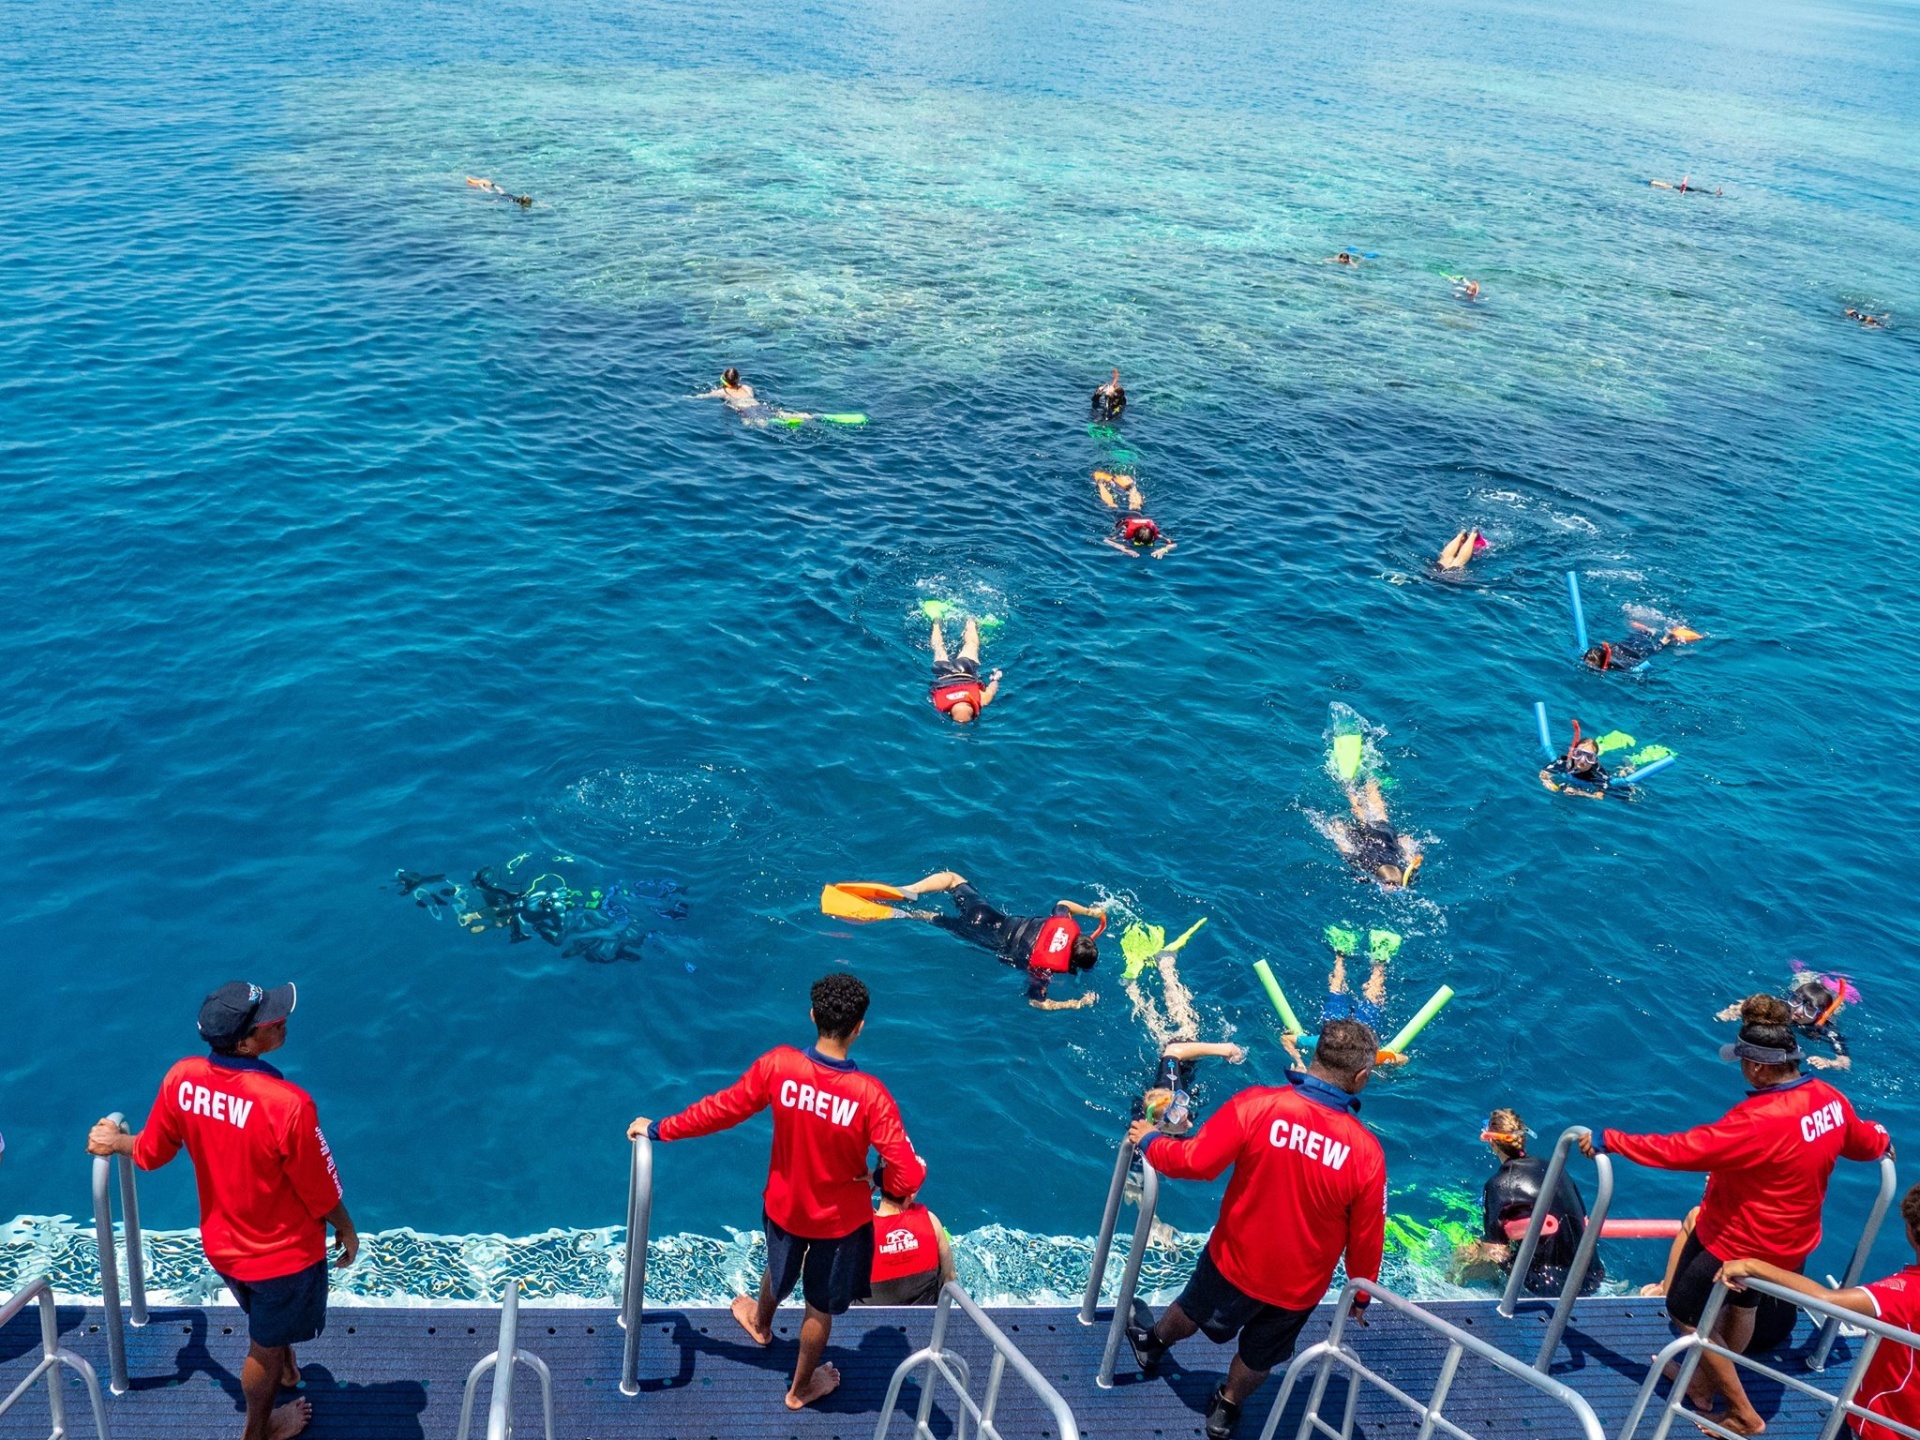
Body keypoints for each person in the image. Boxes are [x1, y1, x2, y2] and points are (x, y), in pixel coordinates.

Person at [1578, 994, 1891, 1436]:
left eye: (1743, 1061)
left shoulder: (1757, 1119)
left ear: (1759, 1067)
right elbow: (1863, 1141)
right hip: (1793, 1241)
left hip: (1742, 1240)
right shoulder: (1829, 1099)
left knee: (1684, 1307)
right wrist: (1883, 1141)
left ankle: (1741, 1410)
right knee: (1742, 1301)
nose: (1740, 1068)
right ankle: (1703, 1382)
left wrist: (1611, 1138)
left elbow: (1681, 1150)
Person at [626, 974, 925, 1410]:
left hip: (785, 1208)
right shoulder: (870, 1097)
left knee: (779, 1269)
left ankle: (761, 1324)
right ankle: (801, 1388)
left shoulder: (779, 1067)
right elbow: (908, 1174)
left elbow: (720, 1111)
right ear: (860, 1027)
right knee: (819, 1307)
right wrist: (880, 1182)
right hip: (840, 1226)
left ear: (812, 1017)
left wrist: (658, 1129)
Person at [87, 982, 357, 1440]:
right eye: (270, 1021)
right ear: (245, 1043)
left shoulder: (182, 1079)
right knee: (264, 1348)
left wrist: (118, 1143)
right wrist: (347, 1230)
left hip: (224, 1246)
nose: (281, 1021)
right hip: (284, 1257)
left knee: (271, 1330)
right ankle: (259, 1431)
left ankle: (288, 1372)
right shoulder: (288, 1106)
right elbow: (320, 1192)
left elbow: (152, 1152)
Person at [1122, 1019, 1388, 1440]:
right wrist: (1359, 1295)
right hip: (1298, 1288)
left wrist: (1152, 1141)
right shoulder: (1367, 1154)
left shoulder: (1258, 1106)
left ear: (1314, 1057)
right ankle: (1226, 1408)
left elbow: (1197, 1163)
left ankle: (1152, 1345)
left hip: (1233, 1261)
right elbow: (1368, 1236)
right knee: (1261, 1355)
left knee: (1192, 1309)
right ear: (1360, 1077)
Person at [1719, 1183, 1920, 1440]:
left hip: (1881, 1428)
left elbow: (1826, 1299)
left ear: (1910, 1232)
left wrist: (1753, 1265)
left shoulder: (1906, 1291)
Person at [889, 871, 1103, 1010]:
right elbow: (1037, 1002)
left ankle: (911, 890)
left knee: (953, 879)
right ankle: (899, 913)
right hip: (982, 936)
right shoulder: (1043, 971)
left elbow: (1063, 902)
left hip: (986, 915)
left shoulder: (1062, 920)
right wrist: (1076, 1003)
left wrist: (1092, 912)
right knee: (934, 919)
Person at [1453, 1109, 1603, 1296]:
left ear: (1491, 1141)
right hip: (1591, 1275)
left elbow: (1495, 1251)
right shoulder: (1555, 1168)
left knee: (1466, 1251)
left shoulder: (1498, 1184)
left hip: (1548, 1285)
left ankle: (1446, 1289)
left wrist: (1473, 1257)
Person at [1281, 927, 1409, 1068]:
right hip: (1341, 1023)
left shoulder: (1324, 1044)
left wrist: (1300, 1062)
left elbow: (1286, 1039)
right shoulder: (1362, 1056)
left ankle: (1348, 956)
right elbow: (1402, 1059)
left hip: (1352, 1026)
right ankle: (1349, 956)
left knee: (1361, 996)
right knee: (1339, 991)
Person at [1718, 968, 1855, 1071]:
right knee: (1802, 979)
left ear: (1819, 1015)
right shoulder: (1785, 1006)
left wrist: (1828, 1062)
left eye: (1810, 1010)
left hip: (1826, 1010)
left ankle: (1837, 987)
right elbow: (1751, 1003)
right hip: (1805, 994)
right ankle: (1807, 974)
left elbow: (1845, 1061)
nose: (1799, 1012)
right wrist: (1732, 1012)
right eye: (1796, 1002)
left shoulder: (1826, 1031)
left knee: (1837, 1007)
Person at [859, 1164, 955, 1307]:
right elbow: (950, 1278)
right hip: (926, 1321)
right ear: (912, 1193)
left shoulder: (859, 1232)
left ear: (879, 1185)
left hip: (871, 1322)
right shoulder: (931, 1222)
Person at [1325, 779, 1422, 889]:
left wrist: (1410, 851)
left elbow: (1413, 864)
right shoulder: (1366, 867)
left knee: (1380, 813)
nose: (1392, 889)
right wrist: (1338, 831)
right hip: (1370, 838)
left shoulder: (1404, 875)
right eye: (1392, 885)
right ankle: (1349, 786)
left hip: (1387, 837)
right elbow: (1346, 851)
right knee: (1360, 815)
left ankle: (1371, 782)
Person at [927, 616, 1001, 724]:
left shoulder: (982, 700)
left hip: (965, 669)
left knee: (971, 644)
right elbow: (933, 695)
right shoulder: (939, 705)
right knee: (938, 648)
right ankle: (936, 622)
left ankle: (971, 621)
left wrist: (996, 677)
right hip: (942, 672)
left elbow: (993, 687)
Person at [1581, 619, 1703, 671]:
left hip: (1635, 654)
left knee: (1656, 649)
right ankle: (1646, 631)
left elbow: (1634, 669)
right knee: (1634, 639)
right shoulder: (1603, 655)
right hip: (1620, 647)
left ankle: (1667, 637)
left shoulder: (1618, 666)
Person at [1540, 726, 1613, 798]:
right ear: (1573, 753)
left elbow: (1599, 796)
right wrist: (1548, 782)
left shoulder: (1598, 775)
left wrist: (1577, 792)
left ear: (1595, 760)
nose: (1582, 760)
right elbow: (1544, 772)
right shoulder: (1565, 762)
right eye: (1579, 754)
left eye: (1589, 757)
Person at [1105, 512, 1175, 559]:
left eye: (1149, 544)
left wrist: (1163, 550)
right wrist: (1125, 550)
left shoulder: (1155, 534)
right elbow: (1106, 540)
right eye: (1137, 543)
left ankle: (1132, 489)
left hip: (1137, 515)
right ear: (1134, 537)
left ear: (1153, 537)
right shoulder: (1124, 531)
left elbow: (1172, 544)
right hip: (1122, 516)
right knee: (1112, 505)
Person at [465, 175, 531, 206]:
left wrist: (495, 201)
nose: (526, 195)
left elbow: (503, 200)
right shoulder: (518, 200)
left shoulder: (514, 201)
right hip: (507, 195)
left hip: (504, 197)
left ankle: (481, 185)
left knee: (490, 191)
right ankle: (488, 185)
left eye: (525, 196)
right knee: (497, 189)